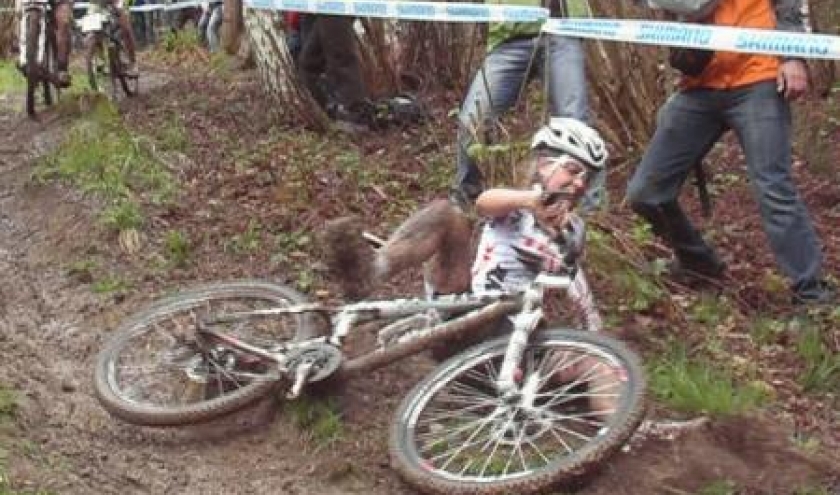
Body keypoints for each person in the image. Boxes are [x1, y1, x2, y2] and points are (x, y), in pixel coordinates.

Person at [324, 117, 616, 414]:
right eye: (573, 170)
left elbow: (576, 284)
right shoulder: (514, 207)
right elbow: (484, 203)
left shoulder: (574, 230)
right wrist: (531, 200)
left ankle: (623, 431)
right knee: (449, 216)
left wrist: (597, 339)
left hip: (515, 342)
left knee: (601, 360)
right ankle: (372, 272)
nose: (580, 183)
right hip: (467, 314)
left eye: (587, 177)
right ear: (544, 163)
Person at [626, 0, 835, 305]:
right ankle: (700, 266)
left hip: (758, 75)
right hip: (698, 81)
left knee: (773, 186)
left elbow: (790, 4)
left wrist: (793, 55)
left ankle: (812, 292)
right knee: (646, 193)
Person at [453, 0, 600, 209]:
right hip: (510, 33)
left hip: (563, 27)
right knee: (474, 119)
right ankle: (466, 202)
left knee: (575, 123)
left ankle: (585, 210)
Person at [296, 14, 373, 127]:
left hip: (333, 7)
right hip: (315, 10)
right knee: (309, 62)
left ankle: (356, 115)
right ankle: (330, 112)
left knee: (340, 56)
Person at [87, 0, 138, 76]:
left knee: (125, 27)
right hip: (98, 3)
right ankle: (100, 58)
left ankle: (133, 63)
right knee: (93, 26)